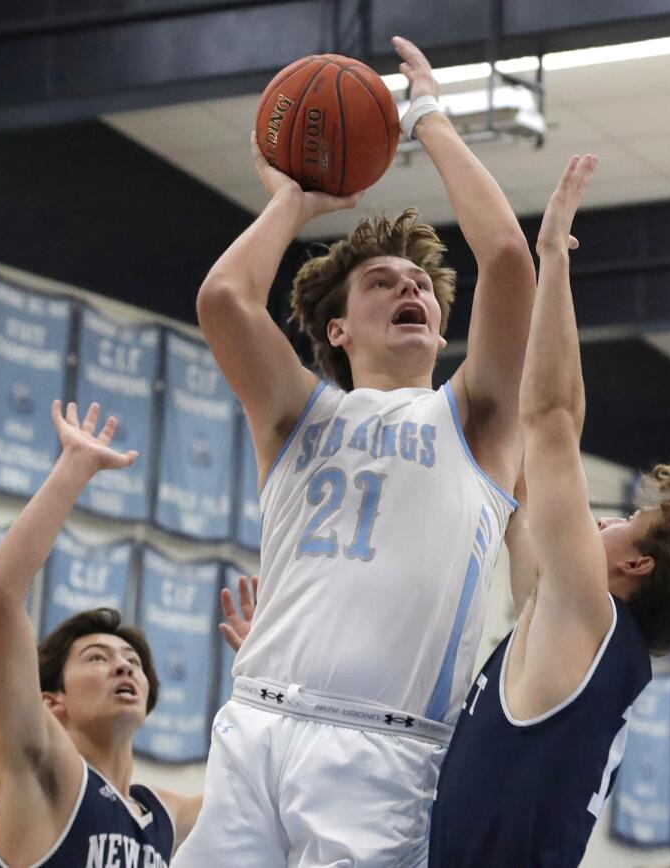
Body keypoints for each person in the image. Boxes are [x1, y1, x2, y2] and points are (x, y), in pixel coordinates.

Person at [175, 33, 535, 867]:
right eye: (384, 282)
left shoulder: (476, 419)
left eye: (420, 288)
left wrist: (430, 117)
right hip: (258, 720)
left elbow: (509, 259)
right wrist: (292, 204)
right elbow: (225, 298)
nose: (410, 290)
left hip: (386, 752)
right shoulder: (297, 413)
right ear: (336, 328)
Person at [428, 156, 670, 866]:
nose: (597, 520)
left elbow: (553, 416)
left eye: (624, 520)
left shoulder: (586, 616)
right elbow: (530, 480)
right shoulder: (574, 632)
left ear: (636, 563)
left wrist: (552, 255)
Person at [0, 401, 206, 868]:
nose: (123, 665)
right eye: (97, 658)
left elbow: (267, 795)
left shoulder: (166, 815)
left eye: (133, 661)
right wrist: (74, 467)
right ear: (50, 701)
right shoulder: (43, 772)